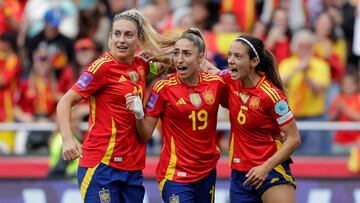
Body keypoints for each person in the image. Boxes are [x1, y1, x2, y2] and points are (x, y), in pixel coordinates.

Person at [56, 9, 173, 203]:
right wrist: (68, 139)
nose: (121, 40)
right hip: (101, 165)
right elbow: (65, 102)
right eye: (117, 34)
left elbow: (173, 62)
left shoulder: (141, 66)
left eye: (128, 35)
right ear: (110, 36)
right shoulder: (101, 68)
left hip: (132, 167)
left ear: (139, 39)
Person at [125, 28, 227, 203]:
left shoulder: (216, 84)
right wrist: (138, 113)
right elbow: (144, 134)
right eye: (177, 53)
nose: (179, 59)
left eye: (187, 54)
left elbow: (241, 105)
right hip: (175, 174)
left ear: (201, 57)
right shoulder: (163, 88)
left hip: (207, 170)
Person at [219, 35, 301, 202]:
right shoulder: (229, 80)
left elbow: (294, 139)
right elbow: (207, 68)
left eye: (238, 56)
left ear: (254, 61)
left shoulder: (271, 95)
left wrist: (265, 168)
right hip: (240, 174)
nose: (231, 61)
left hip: (270, 170)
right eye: (230, 55)